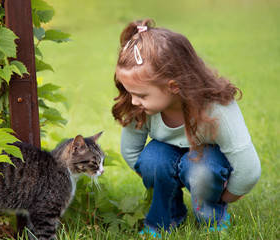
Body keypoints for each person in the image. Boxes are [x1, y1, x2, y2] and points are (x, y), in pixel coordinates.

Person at [112, 19, 261, 237]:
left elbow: (248, 169)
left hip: (208, 159)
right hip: (166, 153)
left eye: (141, 95)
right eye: (129, 92)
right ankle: (164, 220)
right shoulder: (141, 107)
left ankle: (211, 217)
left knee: (200, 170)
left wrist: (225, 196)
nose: (133, 101)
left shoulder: (217, 109)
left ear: (173, 87)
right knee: (153, 160)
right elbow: (131, 152)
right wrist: (157, 178)